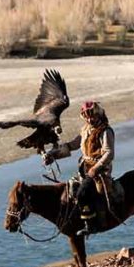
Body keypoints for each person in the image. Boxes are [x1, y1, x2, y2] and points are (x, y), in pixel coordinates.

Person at [45, 100, 115, 236]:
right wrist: (54, 155)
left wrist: (96, 168)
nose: (90, 119)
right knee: (71, 190)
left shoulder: (106, 131)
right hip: (84, 168)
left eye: (92, 115)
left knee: (82, 193)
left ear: (98, 114)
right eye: (87, 116)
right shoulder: (85, 130)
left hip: (100, 169)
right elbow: (73, 145)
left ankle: (91, 225)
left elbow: (109, 153)